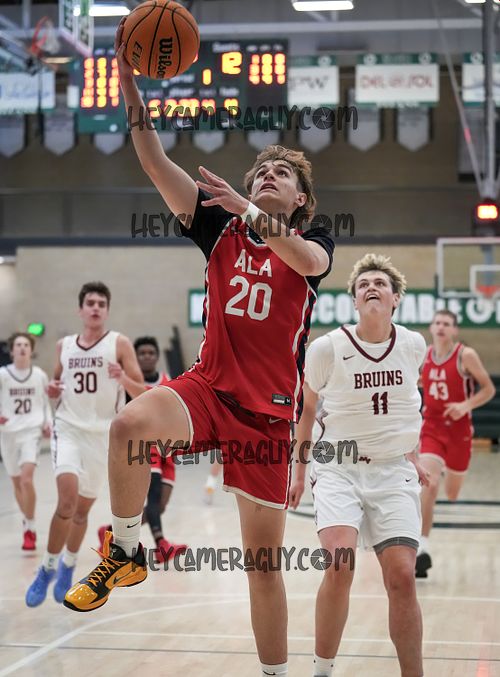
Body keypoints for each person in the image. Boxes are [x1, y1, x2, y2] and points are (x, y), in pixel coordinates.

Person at [63, 20, 334, 677]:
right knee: (128, 425)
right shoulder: (218, 228)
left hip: (268, 416)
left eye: (281, 174)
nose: (269, 174)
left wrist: (248, 208)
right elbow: (155, 160)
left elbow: (308, 260)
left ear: (299, 199)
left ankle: (275, 673)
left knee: (262, 566)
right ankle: (128, 549)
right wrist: (129, 86)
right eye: (261, 169)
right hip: (208, 388)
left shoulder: (313, 239)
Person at [290, 253, 429, 677]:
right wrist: (298, 472)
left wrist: (412, 453)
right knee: (339, 564)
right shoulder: (327, 348)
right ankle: (322, 671)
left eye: (380, 283)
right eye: (363, 284)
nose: (371, 288)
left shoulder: (413, 345)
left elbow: (406, 406)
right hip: (338, 466)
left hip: (392, 470)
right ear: (353, 300)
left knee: (402, 576)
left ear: (395, 298)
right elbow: (306, 411)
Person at [25, 281, 144, 607]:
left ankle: (68, 565)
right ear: (80, 309)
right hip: (69, 430)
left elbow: (143, 392)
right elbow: (56, 384)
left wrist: (123, 378)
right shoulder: (64, 346)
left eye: (101, 304)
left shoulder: (119, 343)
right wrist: (52, 390)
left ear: (107, 310)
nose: (95, 308)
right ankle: (47, 568)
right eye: (90, 303)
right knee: (66, 502)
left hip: (103, 436)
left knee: (80, 512)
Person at [415, 310, 495, 578]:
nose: (441, 327)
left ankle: (444, 472)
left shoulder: (465, 355)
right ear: (431, 327)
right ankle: (421, 548)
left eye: (446, 324)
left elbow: (488, 389)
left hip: (459, 431)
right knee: (429, 483)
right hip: (432, 426)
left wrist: (465, 405)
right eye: (437, 322)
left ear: (454, 330)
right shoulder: (424, 355)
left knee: (451, 493)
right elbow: (416, 382)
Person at [98, 335, 187, 561]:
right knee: (153, 496)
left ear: (157, 357)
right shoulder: (125, 385)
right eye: (142, 353)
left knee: (160, 505)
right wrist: (122, 378)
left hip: (166, 447)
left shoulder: (167, 380)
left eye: (151, 353)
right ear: (135, 358)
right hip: (145, 446)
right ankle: (161, 545)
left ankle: (109, 531)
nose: (147, 356)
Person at [0, 332, 51, 550]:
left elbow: (45, 402)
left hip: (31, 430)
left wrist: (48, 423)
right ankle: (27, 521)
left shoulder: (39, 375)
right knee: (16, 482)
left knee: (26, 480)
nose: (22, 348)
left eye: (26, 345)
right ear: (12, 351)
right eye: (18, 345)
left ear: (31, 350)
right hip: (8, 432)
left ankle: (30, 528)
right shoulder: (3, 374)